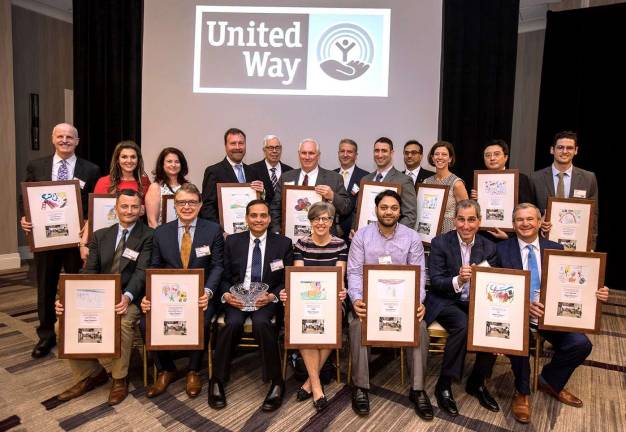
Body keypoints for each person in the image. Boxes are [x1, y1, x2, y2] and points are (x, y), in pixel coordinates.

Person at [495, 203, 609, 423]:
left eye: (530, 219)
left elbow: (576, 282)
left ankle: (549, 381)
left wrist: (597, 292)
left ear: (539, 222)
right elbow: (496, 287)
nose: (525, 223)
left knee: (581, 344)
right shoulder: (500, 251)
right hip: (518, 316)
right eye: (520, 219)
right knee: (520, 340)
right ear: (513, 224)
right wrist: (524, 305)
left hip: (552, 316)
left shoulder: (556, 248)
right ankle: (523, 392)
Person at [54, 189, 153, 405]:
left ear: (141, 210)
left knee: (124, 323)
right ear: (116, 209)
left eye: (134, 206)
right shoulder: (100, 235)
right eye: (124, 206)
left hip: (132, 296)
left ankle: (119, 379)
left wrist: (126, 297)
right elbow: (88, 271)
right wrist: (68, 298)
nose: (129, 211)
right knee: (61, 324)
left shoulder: (148, 235)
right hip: (98, 296)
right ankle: (90, 374)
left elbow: (142, 273)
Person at [347, 190, 432, 420]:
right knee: (357, 326)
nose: (389, 212)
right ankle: (361, 388)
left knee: (420, 327)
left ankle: (417, 390)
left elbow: (420, 274)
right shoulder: (362, 236)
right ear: (376, 210)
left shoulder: (412, 237)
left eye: (394, 208)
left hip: (402, 303)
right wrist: (356, 300)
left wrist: (418, 302)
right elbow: (354, 272)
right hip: (369, 302)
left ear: (399, 211)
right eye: (384, 207)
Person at [20, 123, 101, 358]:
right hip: (45, 239)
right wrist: (24, 217)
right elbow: (25, 197)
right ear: (52, 139)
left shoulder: (91, 169)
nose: (65, 140)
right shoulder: (37, 166)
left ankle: (76, 329)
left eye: (70, 137)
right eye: (60, 136)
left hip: (76, 240)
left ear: (77, 141)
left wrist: (88, 224)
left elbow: (92, 203)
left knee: (78, 285)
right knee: (45, 285)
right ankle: (46, 336)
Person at [208, 200, 293, 411]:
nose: (258, 220)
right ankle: (217, 379)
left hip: (265, 299)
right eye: (253, 215)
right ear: (246, 218)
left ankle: (276, 381)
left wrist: (272, 296)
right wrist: (227, 295)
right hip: (237, 297)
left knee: (262, 323)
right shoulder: (233, 242)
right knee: (232, 323)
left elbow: (287, 278)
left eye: (263, 215)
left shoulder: (283, 243)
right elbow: (223, 275)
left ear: (269, 219)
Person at [140, 183, 223, 398]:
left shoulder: (213, 230)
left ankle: (194, 370)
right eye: (182, 202)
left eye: (192, 202)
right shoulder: (161, 233)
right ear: (175, 205)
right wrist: (150, 296)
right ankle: (166, 369)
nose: (187, 207)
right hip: (169, 296)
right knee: (144, 322)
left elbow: (217, 266)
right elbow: (155, 267)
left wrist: (208, 292)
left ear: (200, 205)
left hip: (201, 296)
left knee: (202, 320)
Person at [425, 200, 500, 416]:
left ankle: (476, 383)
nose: (466, 226)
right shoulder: (440, 242)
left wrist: (481, 279)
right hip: (446, 300)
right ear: (454, 220)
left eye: (471, 220)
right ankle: (444, 384)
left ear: (479, 221)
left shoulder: (489, 247)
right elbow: (436, 281)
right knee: (463, 325)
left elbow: (493, 285)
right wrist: (458, 279)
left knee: (492, 325)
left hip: (476, 302)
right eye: (461, 219)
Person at [278, 202, 348, 412]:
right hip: (306, 300)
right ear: (310, 221)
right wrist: (289, 292)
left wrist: (341, 292)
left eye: (325, 218)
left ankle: (310, 382)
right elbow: (299, 277)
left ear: (331, 221)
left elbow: (340, 278)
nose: (321, 223)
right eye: (316, 218)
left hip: (331, 301)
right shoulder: (301, 245)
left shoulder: (340, 245)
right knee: (303, 322)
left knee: (332, 318)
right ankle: (316, 385)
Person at [530, 131, 599, 249]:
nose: (565, 151)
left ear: (576, 151)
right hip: (544, 240)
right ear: (552, 150)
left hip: (576, 242)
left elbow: (594, 215)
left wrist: (591, 244)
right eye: (560, 147)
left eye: (570, 148)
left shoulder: (588, 178)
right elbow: (529, 209)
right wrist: (539, 222)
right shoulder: (535, 178)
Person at [85, 140, 150, 259]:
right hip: (107, 238)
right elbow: (93, 215)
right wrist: (84, 243)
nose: (129, 161)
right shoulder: (104, 182)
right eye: (124, 157)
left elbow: (149, 214)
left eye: (133, 157)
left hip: (136, 240)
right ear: (117, 160)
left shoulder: (145, 183)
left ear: (138, 160)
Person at [270, 138, 352, 233]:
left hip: (323, 238)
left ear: (318, 155)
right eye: (304, 153)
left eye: (311, 153)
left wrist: (332, 196)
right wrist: (276, 232)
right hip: (290, 236)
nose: (307, 157)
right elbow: (275, 208)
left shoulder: (334, 178)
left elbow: (347, 208)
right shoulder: (286, 177)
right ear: (299, 154)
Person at [470, 139, 535, 241]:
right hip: (482, 237)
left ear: (505, 157)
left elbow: (528, 211)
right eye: (487, 155)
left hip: (511, 237)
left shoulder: (520, 179)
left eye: (496, 154)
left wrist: (510, 236)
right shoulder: (478, 180)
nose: (492, 158)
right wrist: (474, 200)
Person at [200, 128, 265, 222]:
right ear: (225, 146)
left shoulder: (253, 171)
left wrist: (261, 193)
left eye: (241, 143)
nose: (238, 147)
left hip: (251, 230)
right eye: (233, 143)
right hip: (225, 232)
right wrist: (220, 231)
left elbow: (260, 204)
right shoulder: (213, 171)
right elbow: (207, 208)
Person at [356, 137, 417, 229]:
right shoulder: (365, 179)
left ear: (391, 153)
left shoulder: (404, 180)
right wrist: (354, 227)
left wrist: (393, 234)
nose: (379, 155)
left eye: (384, 151)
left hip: (390, 239)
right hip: (365, 236)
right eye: (377, 151)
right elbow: (358, 209)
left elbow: (410, 216)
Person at [423, 141, 469, 233]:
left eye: (444, 154)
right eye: (436, 154)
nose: (440, 157)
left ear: (450, 159)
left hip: (449, 232)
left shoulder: (456, 183)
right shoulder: (426, 182)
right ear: (432, 158)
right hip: (428, 230)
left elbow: (465, 212)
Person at [333, 138, 369, 242]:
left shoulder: (365, 177)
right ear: (338, 153)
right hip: (330, 232)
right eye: (342, 151)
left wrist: (356, 227)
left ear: (356, 155)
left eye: (349, 152)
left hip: (353, 233)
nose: (345, 154)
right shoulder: (330, 175)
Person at [144, 147, 189, 227]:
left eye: (177, 162)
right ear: (162, 164)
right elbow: (152, 221)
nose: (173, 165)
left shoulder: (187, 187)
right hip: (162, 236)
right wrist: (161, 238)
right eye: (169, 161)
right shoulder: (155, 187)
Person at [249, 135, 294, 205]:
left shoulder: (290, 171)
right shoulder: (252, 170)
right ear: (264, 150)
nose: (274, 151)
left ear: (281, 149)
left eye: (277, 148)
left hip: (283, 214)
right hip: (262, 214)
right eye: (270, 148)